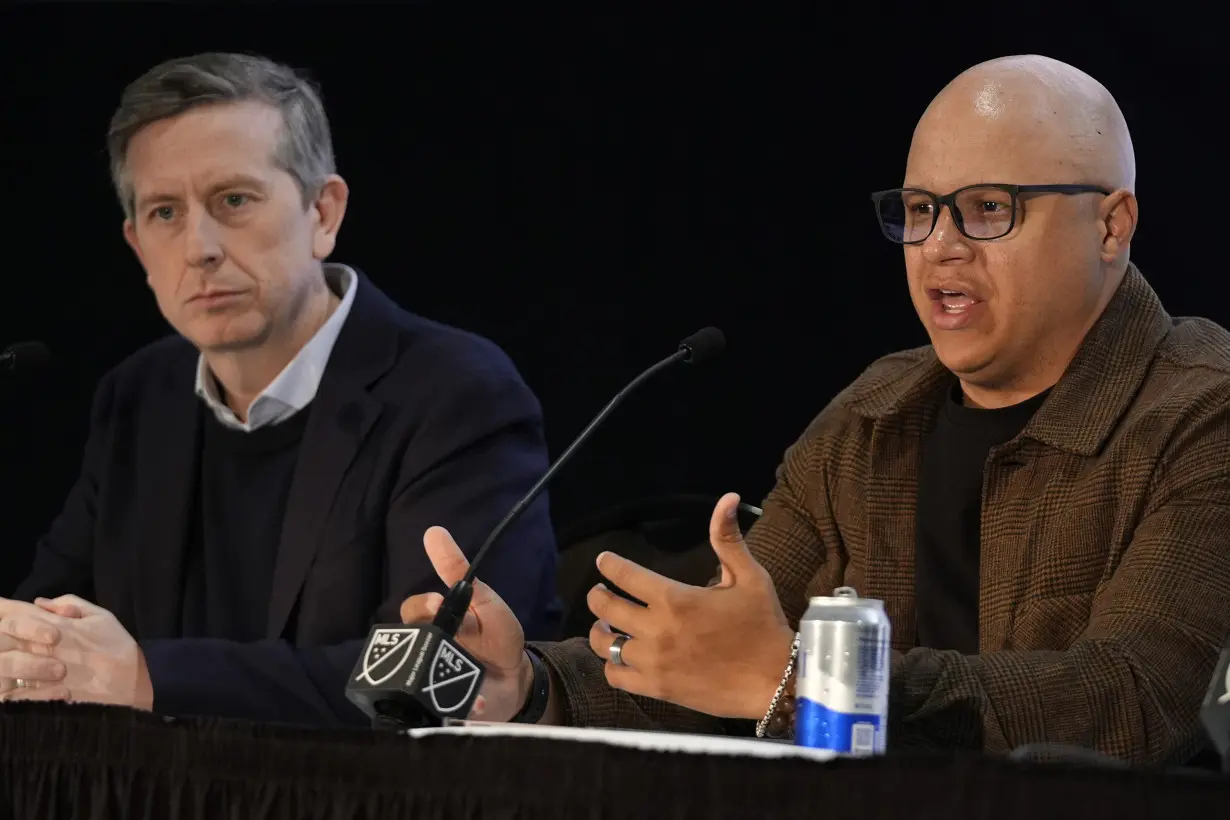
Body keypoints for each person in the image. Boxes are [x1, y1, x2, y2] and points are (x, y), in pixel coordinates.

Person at [398, 55, 1230, 765]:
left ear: (1111, 225)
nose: (940, 245)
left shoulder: (1203, 411)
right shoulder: (874, 418)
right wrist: (534, 686)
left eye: (988, 209)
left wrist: (800, 681)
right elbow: (717, 665)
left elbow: (1141, 700)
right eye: (917, 211)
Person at [0, 52, 559, 725]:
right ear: (137, 248)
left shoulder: (457, 396)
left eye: (233, 200)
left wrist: (147, 675)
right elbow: (45, 628)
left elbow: (440, 677)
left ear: (323, 212)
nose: (198, 247)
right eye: (164, 213)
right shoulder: (138, 398)